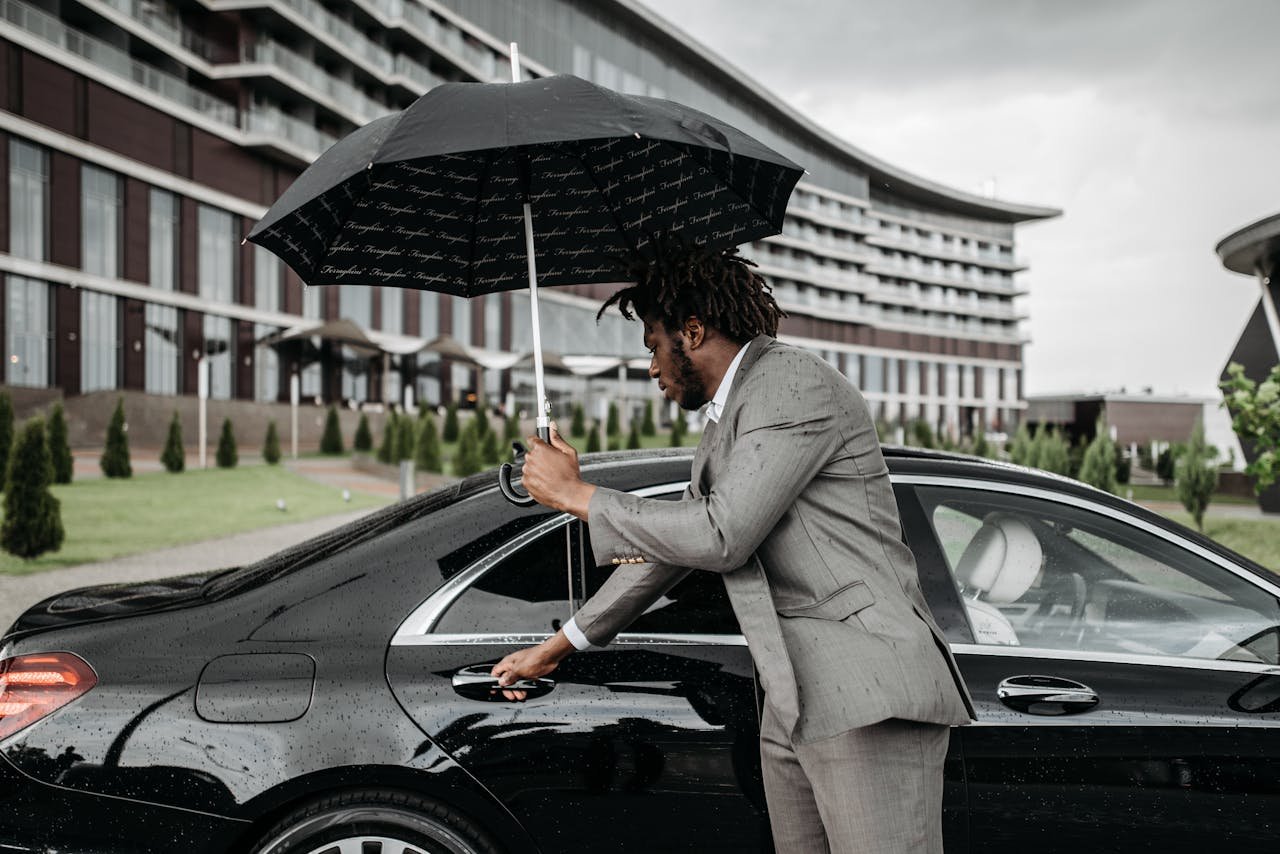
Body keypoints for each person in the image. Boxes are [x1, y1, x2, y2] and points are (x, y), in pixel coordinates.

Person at [491, 242, 973, 852]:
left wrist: (581, 495)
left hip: (866, 690)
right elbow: (676, 546)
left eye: (653, 348)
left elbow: (722, 536)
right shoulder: (730, 420)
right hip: (792, 699)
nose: (651, 369)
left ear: (692, 332)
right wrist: (558, 646)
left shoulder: (791, 385)